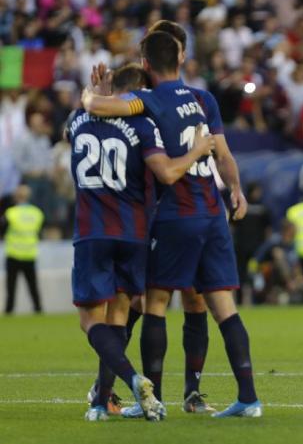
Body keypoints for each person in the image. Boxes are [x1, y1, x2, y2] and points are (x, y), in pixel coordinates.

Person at [82, 31, 261, 418]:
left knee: (156, 303)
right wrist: (237, 190)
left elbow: (98, 106)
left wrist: (91, 92)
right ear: (180, 60)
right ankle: (249, 398)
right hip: (213, 210)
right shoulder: (203, 99)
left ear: (145, 65)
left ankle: (153, 398)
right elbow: (223, 153)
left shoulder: (146, 100)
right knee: (223, 304)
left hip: (175, 211)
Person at [69, 63, 213, 421]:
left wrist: (94, 95)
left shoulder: (77, 120)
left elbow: (83, 120)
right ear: (136, 95)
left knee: (92, 320)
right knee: (124, 311)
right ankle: (106, 397)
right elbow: (163, 171)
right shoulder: (144, 125)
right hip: (136, 230)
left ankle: (124, 385)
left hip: (93, 230)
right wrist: (196, 151)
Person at [2, 185, 44, 314]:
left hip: (13, 254)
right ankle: (38, 309)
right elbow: (39, 232)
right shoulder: (37, 213)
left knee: (11, 287)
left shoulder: (10, 213)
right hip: (30, 254)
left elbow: (3, 230)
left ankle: (9, 310)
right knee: (33, 286)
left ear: (16, 197)